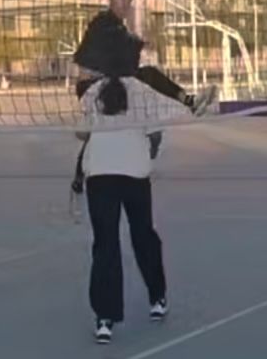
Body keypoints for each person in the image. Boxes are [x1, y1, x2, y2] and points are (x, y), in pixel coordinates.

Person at [70, 0, 216, 198]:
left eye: (128, 1)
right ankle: (163, 124)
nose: (125, 4)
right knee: (99, 127)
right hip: (92, 85)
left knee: (143, 81)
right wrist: (136, 42)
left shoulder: (118, 28)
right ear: (111, 1)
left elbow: (126, 61)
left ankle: (185, 105)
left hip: (111, 80)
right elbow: (120, 54)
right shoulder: (103, 23)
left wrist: (134, 43)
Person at [79, 73, 189, 344]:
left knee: (105, 243)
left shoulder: (92, 91)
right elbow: (155, 135)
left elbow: (82, 132)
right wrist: (146, 152)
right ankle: (157, 297)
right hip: (134, 173)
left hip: (100, 174)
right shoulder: (142, 89)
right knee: (143, 235)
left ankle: (105, 318)